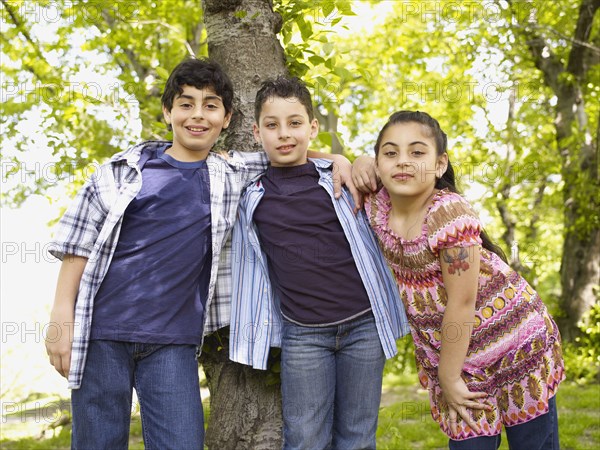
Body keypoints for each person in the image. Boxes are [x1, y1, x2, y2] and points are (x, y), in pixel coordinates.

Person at [44, 58, 355, 449]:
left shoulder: (231, 172)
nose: (197, 115)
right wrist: (61, 319)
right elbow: (76, 248)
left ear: (226, 119)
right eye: (186, 103)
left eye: (210, 105)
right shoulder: (123, 171)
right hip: (103, 333)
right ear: (167, 111)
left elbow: (289, 152)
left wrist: (344, 159)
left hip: (172, 342)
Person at [357, 110, 564, 449]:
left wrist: (447, 376)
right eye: (390, 152)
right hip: (458, 356)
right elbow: (311, 156)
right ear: (379, 164)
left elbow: (462, 301)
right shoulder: (377, 207)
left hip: (515, 344)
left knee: (533, 444)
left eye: (417, 152)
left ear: (440, 165)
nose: (403, 161)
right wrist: (349, 160)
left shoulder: (448, 215)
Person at [229, 76, 411, 450]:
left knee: (357, 437)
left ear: (312, 127)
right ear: (256, 131)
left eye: (295, 123)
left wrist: (353, 157)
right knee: (305, 438)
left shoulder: (341, 180)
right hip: (303, 334)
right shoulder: (252, 192)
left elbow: (393, 175)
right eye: (272, 125)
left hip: (364, 326)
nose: (284, 134)